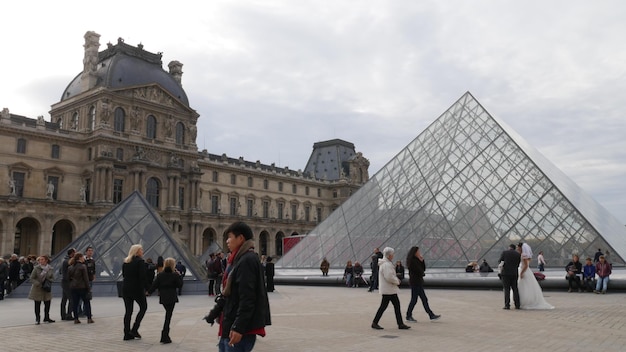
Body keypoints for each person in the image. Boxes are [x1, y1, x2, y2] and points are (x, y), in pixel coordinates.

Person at [216, 221, 270, 352]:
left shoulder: (247, 260)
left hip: (240, 330)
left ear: (240, 238)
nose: (227, 241)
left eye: (229, 237)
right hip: (231, 324)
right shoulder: (237, 259)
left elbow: (248, 298)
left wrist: (238, 328)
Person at [371, 247, 410, 330]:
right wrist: (397, 281)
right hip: (388, 289)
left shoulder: (385, 263)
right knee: (389, 306)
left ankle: (399, 323)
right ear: (389, 255)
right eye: (392, 254)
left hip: (388, 289)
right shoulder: (386, 264)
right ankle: (399, 324)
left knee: (389, 306)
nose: (393, 256)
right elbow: (389, 277)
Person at [147, 257, 183, 344]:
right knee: (168, 316)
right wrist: (179, 276)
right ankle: (164, 336)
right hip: (172, 297)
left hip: (163, 297)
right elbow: (179, 285)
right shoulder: (174, 275)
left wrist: (148, 292)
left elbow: (154, 285)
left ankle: (165, 335)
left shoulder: (160, 275)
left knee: (168, 315)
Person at [405, 246, 440, 322]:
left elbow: (423, 269)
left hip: (418, 282)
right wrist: (422, 273)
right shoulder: (412, 261)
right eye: (418, 252)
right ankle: (408, 315)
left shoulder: (416, 260)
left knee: (423, 299)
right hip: (415, 282)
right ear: (414, 252)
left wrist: (422, 261)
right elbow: (419, 271)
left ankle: (431, 315)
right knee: (414, 300)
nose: (419, 253)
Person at [122, 244, 149, 341]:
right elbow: (142, 277)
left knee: (128, 311)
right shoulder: (140, 262)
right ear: (137, 251)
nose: (143, 251)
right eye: (141, 250)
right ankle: (134, 329)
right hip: (136, 289)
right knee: (143, 307)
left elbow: (124, 275)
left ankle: (126, 334)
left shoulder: (126, 261)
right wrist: (147, 289)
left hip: (126, 288)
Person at [515, 243, 553, 310]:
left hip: (523, 271)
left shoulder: (524, 255)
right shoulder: (524, 255)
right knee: (525, 286)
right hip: (524, 271)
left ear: (521, 248)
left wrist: (521, 273)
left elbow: (526, 265)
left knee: (523, 287)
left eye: (518, 247)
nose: (517, 248)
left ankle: (524, 301)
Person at [28, 255, 55, 324]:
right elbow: (31, 278)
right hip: (38, 288)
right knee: (37, 304)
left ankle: (46, 317)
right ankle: (37, 318)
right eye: (40, 260)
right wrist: (37, 283)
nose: (41, 261)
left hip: (46, 288)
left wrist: (49, 280)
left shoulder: (50, 268)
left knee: (47, 303)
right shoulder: (36, 268)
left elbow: (53, 278)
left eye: (42, 259)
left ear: (46, 260)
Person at [68, 252, 93, 324]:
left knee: (75, 303)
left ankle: (76, 319)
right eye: (82, 257)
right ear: (79, 258)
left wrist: (72, 284)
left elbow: (68, 278)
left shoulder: (70, 267)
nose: (84, 258)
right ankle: (89, 318)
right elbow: (86, 278)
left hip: (73, 287)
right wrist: (88, 288)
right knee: (86, 302)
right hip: (82, 287)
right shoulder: (83, 267)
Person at [499, 244, 521, 310]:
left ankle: (507, 305)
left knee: (507, 289)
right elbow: (518, 263)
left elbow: (500, 261)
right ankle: (517, 305)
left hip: (506, 273)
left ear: (509, 247)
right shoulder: (518, 254)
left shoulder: (505, 252)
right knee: (515, 289)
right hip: (514, 273)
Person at [60, 248, 76, 320]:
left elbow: (61, 271)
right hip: (68, 282)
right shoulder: (68, 261)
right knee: (72, 299)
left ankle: (63, 315)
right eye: (75, 253)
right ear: (72, 253)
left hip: (64, 282)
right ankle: (69, 315)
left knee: (64, 299)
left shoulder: (64, 260)